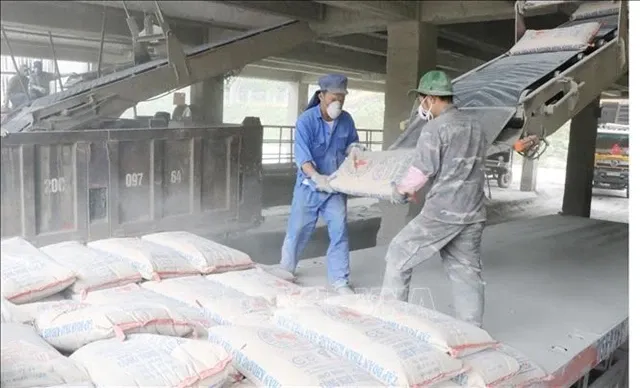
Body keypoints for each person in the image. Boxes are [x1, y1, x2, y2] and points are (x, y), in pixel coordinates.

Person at [381, 70, 488, 327]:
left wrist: (401, 191)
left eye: (421, 99)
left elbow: (421, 170)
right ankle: (471, 331)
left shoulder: (434, 128)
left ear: (430, 98)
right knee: (466, 271)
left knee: (398, 252)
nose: (421, 105)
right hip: (473, 211)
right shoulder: (475, 124)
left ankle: (389, 320)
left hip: (444, 211)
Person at [273, 74, 366, 295]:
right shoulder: (306, 121)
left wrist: (354, 149)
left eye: (342, 98)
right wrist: (317, 178)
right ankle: (287, 269)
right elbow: (303, 158)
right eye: (335, 97)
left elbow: (352, 141)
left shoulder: (347, 120)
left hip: (335, 187)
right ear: (322, 95)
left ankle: (340, 280)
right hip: (309, 187)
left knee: (340, 231)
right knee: (298, 230)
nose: (339, 102)